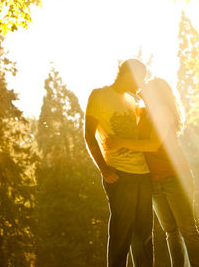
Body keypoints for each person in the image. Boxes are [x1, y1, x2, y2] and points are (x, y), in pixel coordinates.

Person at [104, 77, 199, 267]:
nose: (141, 89)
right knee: (171, 231)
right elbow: (124, 105)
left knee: (187, 229)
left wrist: (121, 143)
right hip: (153, 181)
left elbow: (153, 145)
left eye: (147, 88)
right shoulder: (144, 113)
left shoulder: (163, 112)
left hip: (175, 177)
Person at [84, 58, 153, 267]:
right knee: (121, 235)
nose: (141, 84)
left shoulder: (132, 101)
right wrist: (103, 169)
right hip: (120, 175)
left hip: (144, 174)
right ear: (128, 74)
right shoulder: (99, 95)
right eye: (139, 79)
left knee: (145, 236)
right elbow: (88, 136)